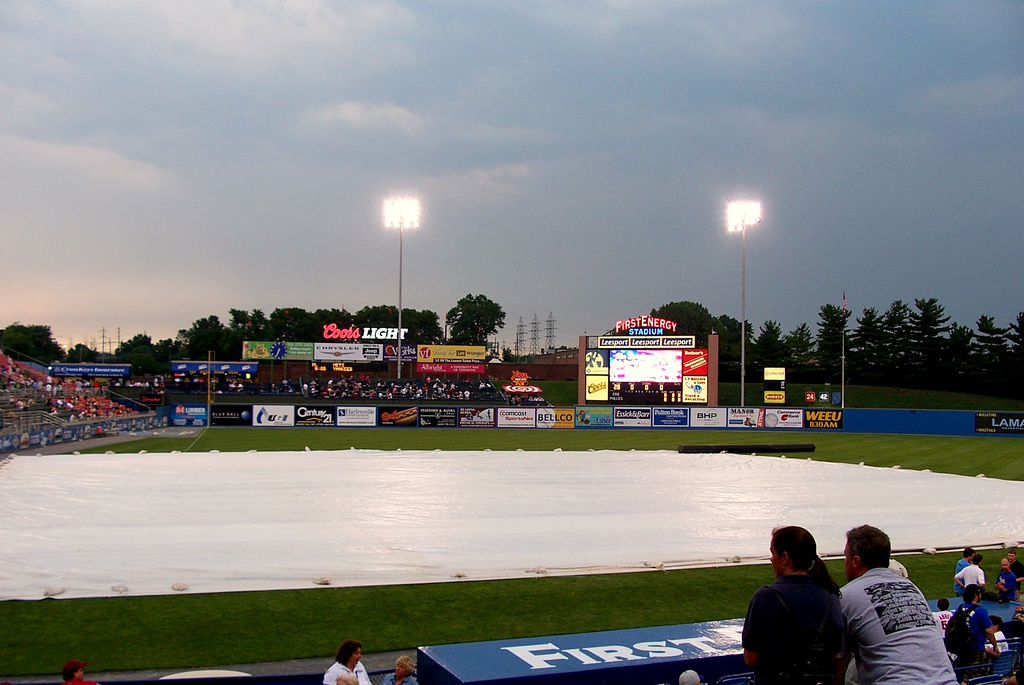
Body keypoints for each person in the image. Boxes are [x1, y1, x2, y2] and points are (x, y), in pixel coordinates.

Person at [839, 524, 957, 685]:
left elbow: (836, 659)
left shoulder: (847, 595)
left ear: (855, 561)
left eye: (845, 557)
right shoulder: (912, 588)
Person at [741, 526, 845, 685]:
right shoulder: (831, 598)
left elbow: (750, 658)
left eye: (773, 553)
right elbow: (832, 655)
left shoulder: (764, 597)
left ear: (785, 558)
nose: (771, 559)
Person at [956, 584, 1000, 681]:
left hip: (962, 648)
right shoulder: (981, 611)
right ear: (976, 595)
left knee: (964, 676)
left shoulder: (960, 608)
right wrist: (995, 645)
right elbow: (989, 631)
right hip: (976, 650)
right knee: (973, 678)